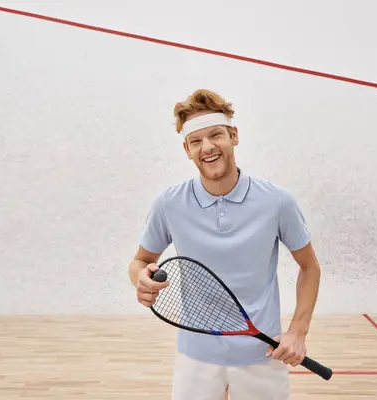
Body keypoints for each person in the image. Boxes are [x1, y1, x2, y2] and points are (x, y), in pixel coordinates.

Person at [128, 89, 322, 399]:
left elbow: (309, 266)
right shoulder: (169, 204)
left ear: (234, 135)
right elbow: (140, 261)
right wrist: (140, 279)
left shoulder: (277, 201)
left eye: (215, 135)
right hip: (195, 356)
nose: (207, 147)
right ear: (187, 150)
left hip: (263, 354)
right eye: (196, 141)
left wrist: (298, 332)